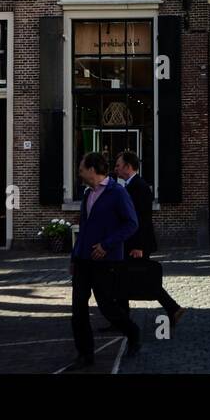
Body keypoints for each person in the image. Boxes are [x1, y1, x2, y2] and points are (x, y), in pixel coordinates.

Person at [65, 151, 140, 370]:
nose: (78, 172)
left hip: (106, 262)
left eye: (81, 168)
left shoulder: (117, 192)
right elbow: (85, 228)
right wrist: (73, 257)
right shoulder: (87, 194)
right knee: (78, 309)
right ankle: (85, 355)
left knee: (107, 307)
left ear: (92, 169)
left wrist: (107, 245)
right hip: (82, 261)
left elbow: (131, 223)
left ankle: (133, 332)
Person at [114, 151, 187, 329]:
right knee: (123, 279)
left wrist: (138, 245)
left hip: (136, 244)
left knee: (141, 278)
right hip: (132, 242)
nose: (115, 169)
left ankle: (173, 308)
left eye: (118, 165)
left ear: (128, 167)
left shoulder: (138, 187)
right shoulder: (132, 186)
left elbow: (142, 218)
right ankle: (122, 318)